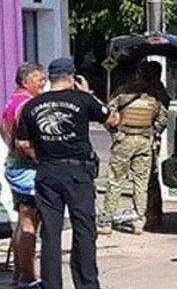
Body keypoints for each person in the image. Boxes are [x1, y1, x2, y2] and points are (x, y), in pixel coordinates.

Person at [15, 57, 118, 289]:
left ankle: (51, 284)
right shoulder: (83, 99)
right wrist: (89, 93)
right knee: (83, 229)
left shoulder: (32, 105)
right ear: (72, 77)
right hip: (77, 173)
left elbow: (22, 143)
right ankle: (87, 284)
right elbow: (113, 118)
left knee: (50, 233)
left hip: (47, 172)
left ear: (50, 79)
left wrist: (42, 154)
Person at [99, 72, 168, 235]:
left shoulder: (123, 93)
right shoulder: (155, 96)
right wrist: (152, 133)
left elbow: (108, 116)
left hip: (124, 140)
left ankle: (107, 221)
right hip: (144, 141)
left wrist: (115, 134)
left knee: (115, 180)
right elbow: (162, 120)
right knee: (141, 183)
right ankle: (138, 222)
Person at [2, 63, 47, 288]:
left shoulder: (12, 102)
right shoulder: (27, 105)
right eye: (40, 79)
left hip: (14, 167)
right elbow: (22, 143)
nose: (44, 83)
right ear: (26, 80)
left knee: (22, 220)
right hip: (26, 169)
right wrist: (40, 158)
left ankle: (20, 274)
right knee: (30, 222)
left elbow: (5, 131)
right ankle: (28, 277)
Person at [138, 61, 171, 230]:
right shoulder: (147, 91)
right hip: (143, 137)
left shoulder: (158, 93)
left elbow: (162, 120)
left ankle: (153, 214)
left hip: (150, 138)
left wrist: (150, 131)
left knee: (150, 176)